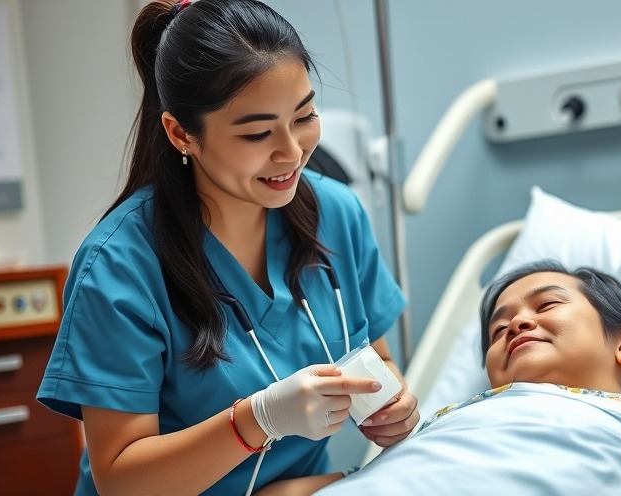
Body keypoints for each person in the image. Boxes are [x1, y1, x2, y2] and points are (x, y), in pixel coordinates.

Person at [36, 1, 418, 495]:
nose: (292, 151)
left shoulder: (336, 213)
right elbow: (120, 480)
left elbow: (378, 360)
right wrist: (256, 420)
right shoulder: (119, 265)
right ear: (181, 133)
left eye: (304, 116)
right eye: (257, 133)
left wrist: (392, 404)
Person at [304, 260, 621, 495]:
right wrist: (263, 418)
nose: (517, 324)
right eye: (498, 328)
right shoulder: (450, 421)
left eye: (547, 304)